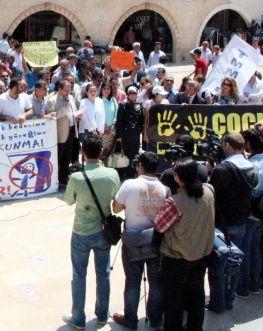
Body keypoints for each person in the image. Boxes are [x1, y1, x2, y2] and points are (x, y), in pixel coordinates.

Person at [62, 135, 120, 329]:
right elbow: (117, 202)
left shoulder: (77, 177)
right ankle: (102, 314)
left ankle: (78, 316)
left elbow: (69, 200)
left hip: (81, 232)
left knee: (79, 275)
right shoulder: (112, 174)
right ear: (101, 151)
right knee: (103, 274)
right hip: (103, 232)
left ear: (82, 153)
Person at [111, 152, 168, 330]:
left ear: (140, 166)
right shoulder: (164, 189)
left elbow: (116, 208)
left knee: (132, 282)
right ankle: (156, 319)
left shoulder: (129, 184)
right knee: (156, 284)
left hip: (132, 242)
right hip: (155, 241)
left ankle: (130, 318)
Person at [160, 159, 215, 331]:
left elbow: (160, 225)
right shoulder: (209, 191)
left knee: (174, 300)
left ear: (178, 178)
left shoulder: (174, 202)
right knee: (197, 294)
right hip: (202, 254)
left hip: (177, 258)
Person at [207, 133, 258, 313]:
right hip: (241, 222)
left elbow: (210, 192)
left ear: (228, 145)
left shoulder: (222, 169)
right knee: (235, 262)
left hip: (222, 224)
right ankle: (229, 300)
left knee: (217, 266)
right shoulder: (251, 166)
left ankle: (217, 302)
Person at [236, 129, 263, 299]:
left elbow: (252, 188)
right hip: (257, 213)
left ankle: (244, 288)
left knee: (247, 251)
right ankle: (253, 284)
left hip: (252, 212)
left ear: (248, 144)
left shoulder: (259, 164)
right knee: (254, 250)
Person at [45, 80, 79, 187]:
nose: (68, 92)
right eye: (65, 90)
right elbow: (51, 116)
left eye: (69, 90)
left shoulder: (71, 98)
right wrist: (64, 108)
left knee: (67, 157)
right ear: (59, 89)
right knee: (58, 159)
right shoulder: (52, 100)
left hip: (71, 130)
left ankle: (64, 180)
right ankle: (54, 181)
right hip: (59, 134)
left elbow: (73, 111)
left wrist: (77, 115)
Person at [114, 86, 144, 179]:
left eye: (134, 93)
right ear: (127, 94)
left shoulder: (139, 105)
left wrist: (139, 130)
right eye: (130, 93)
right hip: (125, 133)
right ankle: (123, 173)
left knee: (134, 153)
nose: (132, 95)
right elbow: (119, 121)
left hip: (135, 133)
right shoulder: (122, 105)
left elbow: (141, 119)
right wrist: (119, 135)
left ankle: (132, 172)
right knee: (125, 153)